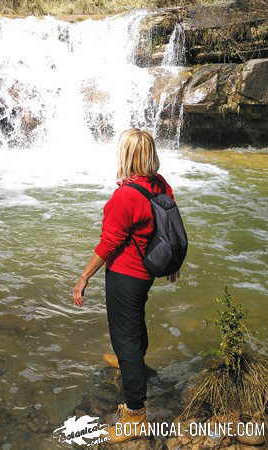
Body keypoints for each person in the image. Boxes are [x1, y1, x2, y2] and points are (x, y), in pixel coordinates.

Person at [72, 128, 179, 444]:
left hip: (125, 274)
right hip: (145, 272)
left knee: (125, 336)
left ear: (127, 156)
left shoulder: (126, 195)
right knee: (134, 327)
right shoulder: (159, 185)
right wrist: (174, 265)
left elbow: (110, 242)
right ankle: (131, 363)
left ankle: (135, 414)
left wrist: (83, 277)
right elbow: (170, 227)